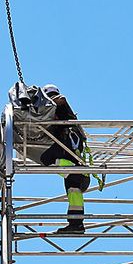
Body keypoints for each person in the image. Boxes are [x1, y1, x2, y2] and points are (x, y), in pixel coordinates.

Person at [39, 84, 91, 235]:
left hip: (71, 159)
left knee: (45, 159)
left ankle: (76, 224)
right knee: (73, 191)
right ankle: (76, 224)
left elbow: (61, 100)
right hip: (76, 167)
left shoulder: (61, 108)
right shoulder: (65, 117)